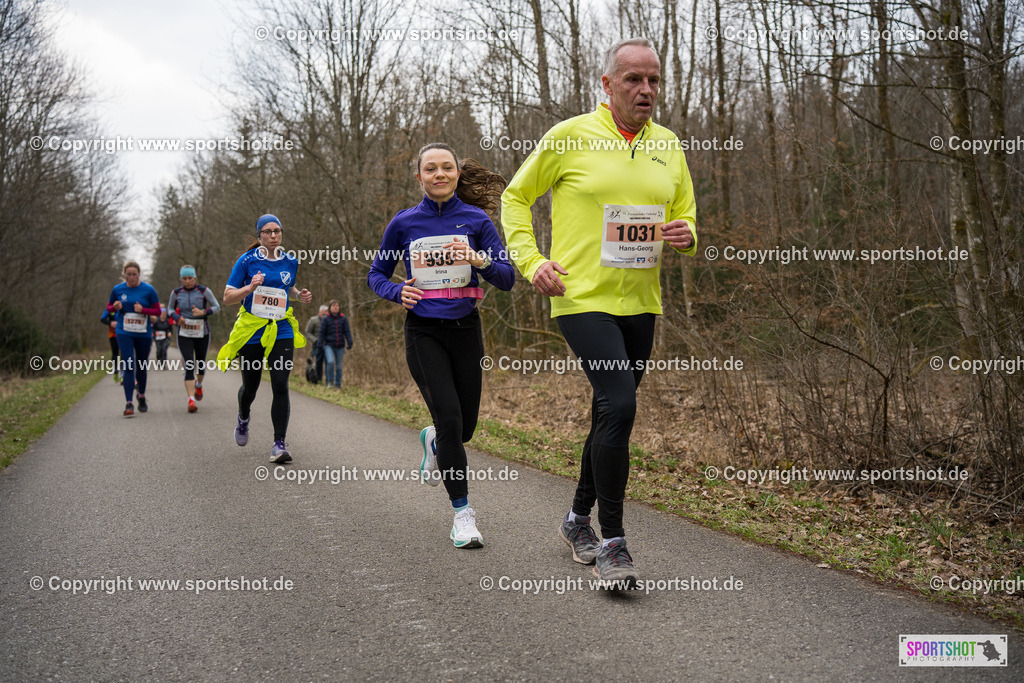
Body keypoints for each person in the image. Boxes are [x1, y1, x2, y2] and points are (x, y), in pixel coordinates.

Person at [501, 38, 698, 587]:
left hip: (641, 302)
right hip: (581, 297)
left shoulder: (668, 145)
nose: (646, 90)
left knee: (610, 413)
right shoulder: (568, 137)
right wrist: (530, 260)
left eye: (654, 80)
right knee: (621, 403)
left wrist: (688, 234)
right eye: (633, 79)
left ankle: (574, 520)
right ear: (607, 85)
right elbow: (515, 198)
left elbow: (684, 213)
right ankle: (613, 543)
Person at [368, 142, 514, 549]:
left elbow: (506, 276)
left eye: (446, 167)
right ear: (419, 177)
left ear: (456, 173)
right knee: (450, 420)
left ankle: (434, 440)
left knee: (463, 429)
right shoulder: (404, 223)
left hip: (466, 328)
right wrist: (398, 292)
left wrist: (479, 259)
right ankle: (462, 516)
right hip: (423, 332)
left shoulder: (477, 220)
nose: (439, 174)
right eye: (430, 169)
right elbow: (376, 274)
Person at [217, 214, 312, 463]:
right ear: (259, 236)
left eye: (277, 231)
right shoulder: (246, 261)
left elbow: (286, 289)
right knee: (251, 386)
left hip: (281, 327)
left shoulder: (291, 261)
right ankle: (243, 415)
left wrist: (298, 294)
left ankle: (278, 444)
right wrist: (249, 288)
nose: (273, 236)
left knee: (280, 383)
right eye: (268, 232)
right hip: (252, 329)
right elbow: (227, 297)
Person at [106, 261, 162, 416]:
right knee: (129, 365)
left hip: (143, 332)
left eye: (134, 274)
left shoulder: (148, 290)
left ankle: (141, 396)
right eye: (128, 274)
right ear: (124, 274)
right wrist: (115, 307)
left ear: (139, 274)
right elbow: (108, 307)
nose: (131, 277)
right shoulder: (118, 289)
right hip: (124, 331)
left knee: (141, 366)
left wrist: (143, 309)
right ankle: (129, 403)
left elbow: (158, 311)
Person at [168, 265, 220, 413]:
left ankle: (198, 385)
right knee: (189, 364)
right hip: (184, 332)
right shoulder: (176, 293)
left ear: (195, 278)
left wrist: (203, 312)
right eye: (184, 278)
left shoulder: (204, 291)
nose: (187, 281)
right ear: (181, 279)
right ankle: (191, 400)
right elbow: (170, 309)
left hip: (202, 332)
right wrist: (177, 317)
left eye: (190, 278)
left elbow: (217, 307)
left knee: (200, 364)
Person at [317, 300, 353, 388]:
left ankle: (338, 384)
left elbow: (347, 331)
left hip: (340, 345)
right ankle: (329, 381)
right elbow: (322, 332)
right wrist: (319, 343)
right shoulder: (326, 319)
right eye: (333, 306)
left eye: (337, 305)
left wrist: (349, 341)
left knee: (339, 366)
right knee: (330, 362)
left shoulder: (343, 318)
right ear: (330, 308)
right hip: (328, 345)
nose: (336, 307)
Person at [304, 304, 328, 383]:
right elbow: (308, 332)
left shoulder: (329, 321)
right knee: (317, 362)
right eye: (323, 314)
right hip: (316, 345)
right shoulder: (313, 320)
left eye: (326, 314)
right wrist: (315, 340)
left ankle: (328, 381)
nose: (325, 315)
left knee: (329, 362)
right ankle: (317, 379)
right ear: (319, 312)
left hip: (328, 345)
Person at [101, 308, 121, 383]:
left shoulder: (125, 305)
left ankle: (123, 374)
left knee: (123, 353)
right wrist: (110, 323)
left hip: (123, 333)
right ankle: (115, 371)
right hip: (112, 334)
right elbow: (102, 319)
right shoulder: (110, 308)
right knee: (115, 353)